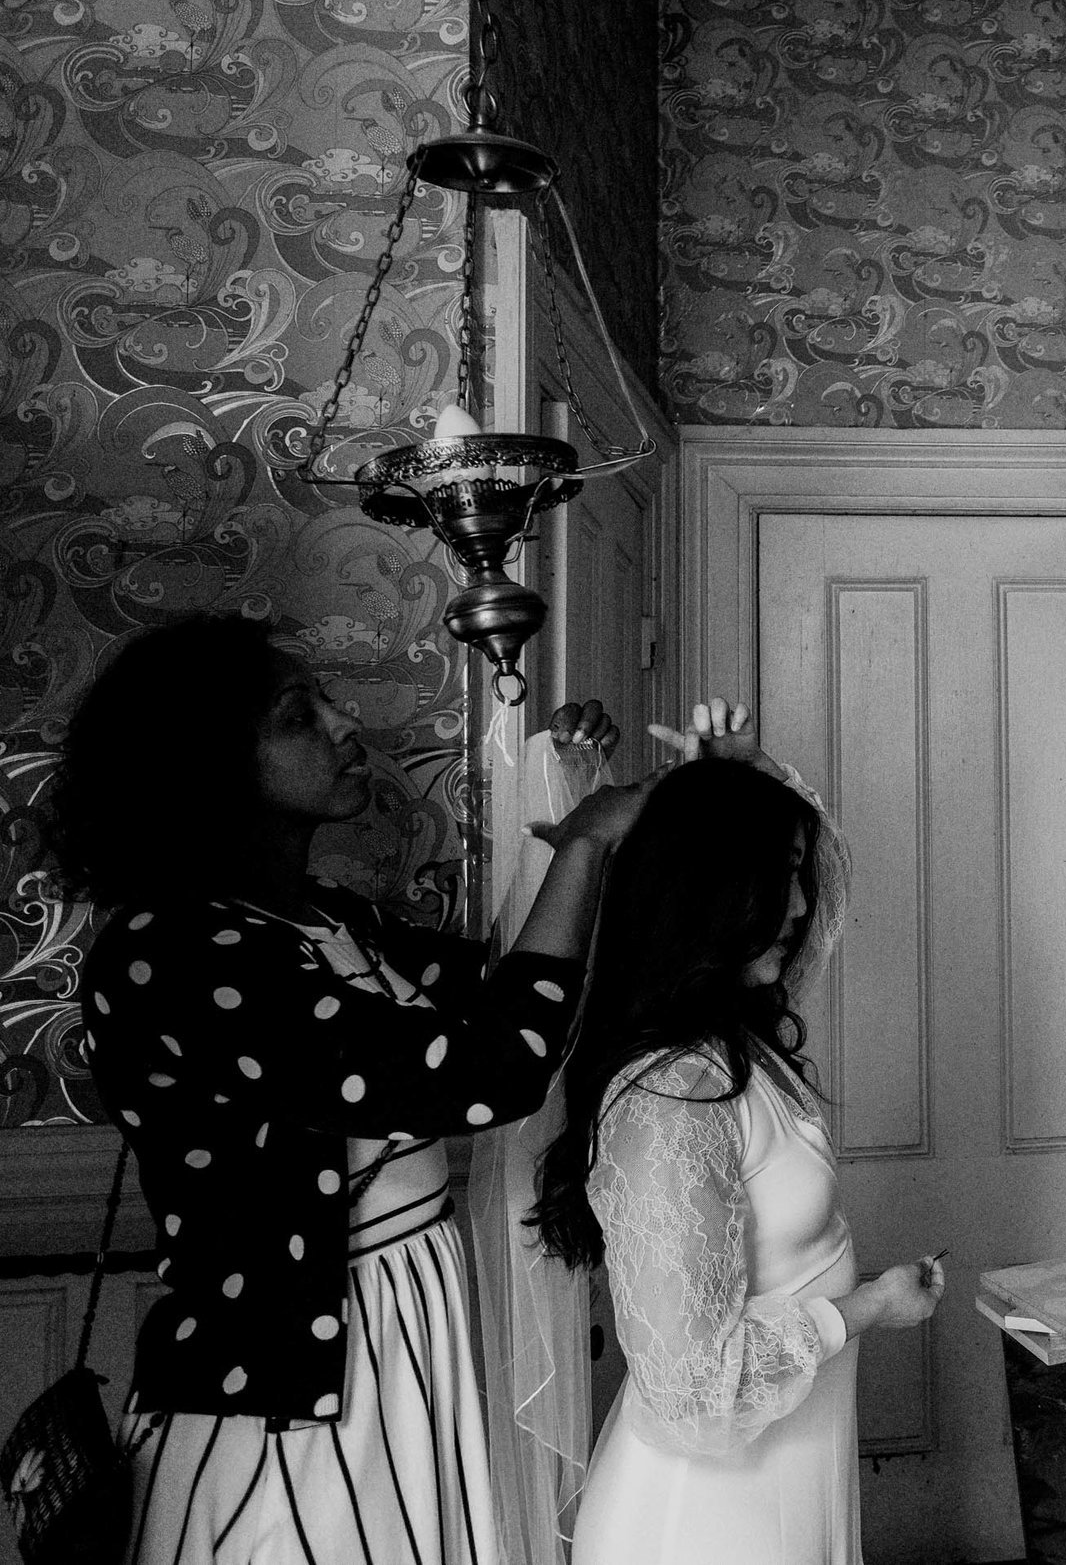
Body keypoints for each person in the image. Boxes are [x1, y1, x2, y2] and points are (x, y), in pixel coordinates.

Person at [54, 613, 647, 1565]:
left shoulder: (324, 920)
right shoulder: (167, 954)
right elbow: (494, 1071)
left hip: (399, 1329)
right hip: (289, 1392)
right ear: (206, 766)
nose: (344, 723)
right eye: (300, 715)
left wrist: (562, 787)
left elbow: (510, 989)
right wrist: (578, 846)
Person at [531, 701, 944, 1565]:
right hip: (708, 1524)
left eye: (794, 871)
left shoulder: (734, 1028)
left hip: (779, 1484)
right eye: (773, 876)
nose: (799, 903)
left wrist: (746, 776)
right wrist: (868, 1307)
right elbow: (688, 1396)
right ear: (707, 895)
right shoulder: (670, 1095)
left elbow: (823, 912)